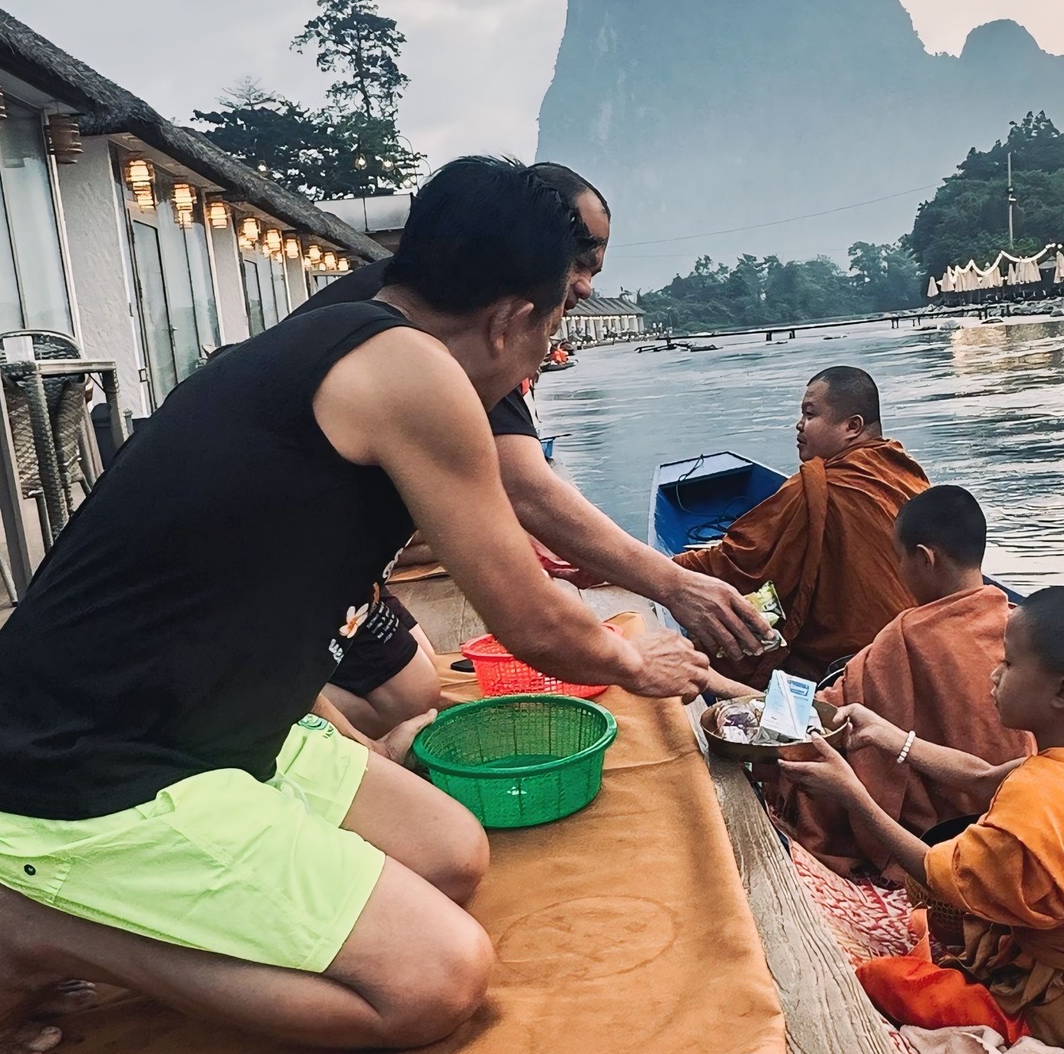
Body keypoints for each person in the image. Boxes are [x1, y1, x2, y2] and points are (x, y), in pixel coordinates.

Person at [0, 156, 709, 1054]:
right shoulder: (414, 375)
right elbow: (534, 621)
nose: (549, 354)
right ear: (511, 318)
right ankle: (27, 930)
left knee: (451, 856)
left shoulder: (349, 332)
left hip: (206, 722)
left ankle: (88, 905)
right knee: (435, 984)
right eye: (552, 327)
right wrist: (639, 664)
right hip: (79, 770)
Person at [297, 163, 771, 737]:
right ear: (510, 314)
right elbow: (530, 592)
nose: (583, 288)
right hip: (264, 605)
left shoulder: (366, 318)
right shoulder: (423, 360)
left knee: (413, 686)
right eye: (576, 262)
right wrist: (641, 648)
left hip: (309, 574)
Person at [777, 585, 1064, 1054]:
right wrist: (890, 736)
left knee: (884, 978)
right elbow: (981, 777)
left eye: (1008, 663)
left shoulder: (1036, 792)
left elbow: (937, 873)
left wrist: (853, 794)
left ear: (1062, 693)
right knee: (957, 934)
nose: (994, 674)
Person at [775, 486, 1034, 872]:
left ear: (925, 559)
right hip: (1022, 808)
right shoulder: (1017, 625)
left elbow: (823, 713)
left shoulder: (908, 635)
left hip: (943, 832)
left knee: (813, 755)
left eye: (899, 558)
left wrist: (719, 683)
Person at [675, 366, 929, 683]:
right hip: (917, 643)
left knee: (724, 641)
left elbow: (735, 563)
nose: (799, 425)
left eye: (810, 414)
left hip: (846, 664)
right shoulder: (905, 471)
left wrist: (663, 571)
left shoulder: (812, 491)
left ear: (852, 426)